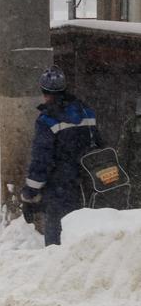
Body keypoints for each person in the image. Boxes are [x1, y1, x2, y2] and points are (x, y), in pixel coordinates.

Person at [22, 67, 102, 247]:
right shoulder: (86, 111)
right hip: (89, 183)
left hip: (60, 187)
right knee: (86, 234)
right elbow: (98, 143)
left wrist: (29, 192)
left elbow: (41, 161)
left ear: (44, 92)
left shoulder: (47, 120)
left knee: (56, 239)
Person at [120, 96, 141, 210]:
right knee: (135, 200)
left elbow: (123, 149)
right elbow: (123, 149)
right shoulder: (131, 123)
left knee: (135, 201)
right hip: (135, 170)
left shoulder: (131, 123)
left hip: (135, 170)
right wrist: (121, 169)